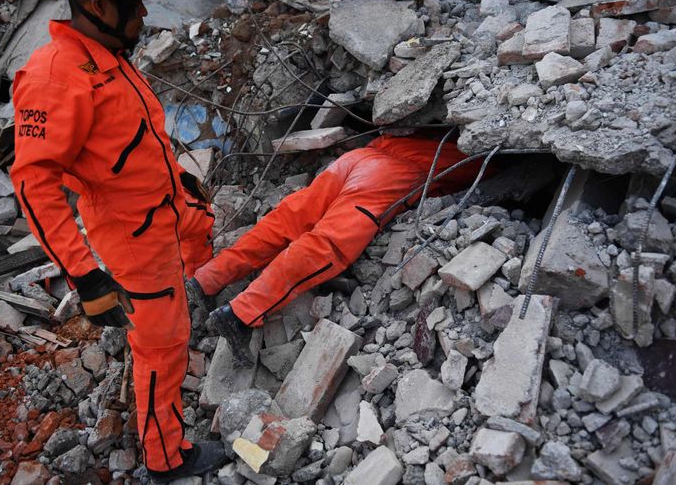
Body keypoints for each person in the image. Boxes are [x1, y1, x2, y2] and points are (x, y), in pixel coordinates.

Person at [10, 0, 227, 482]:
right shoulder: (55, 79)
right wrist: (84, 276)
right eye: (135, 6)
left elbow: (126, 143)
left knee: (202, 230)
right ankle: (166, 456)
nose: (145, 17)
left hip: (166, 207)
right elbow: (35, 183)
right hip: (134, 238)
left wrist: (178, 179)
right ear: (97, 3)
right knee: (162, 345)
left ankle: (195, 295)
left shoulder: (105, 54)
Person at [189, 134, 485, 365]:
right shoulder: (486, 152)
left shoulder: (432, 130)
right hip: (389, 173)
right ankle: (241, 314)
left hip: (359, 157)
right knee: (327, 244)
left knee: (287, 220)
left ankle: (207, 279)